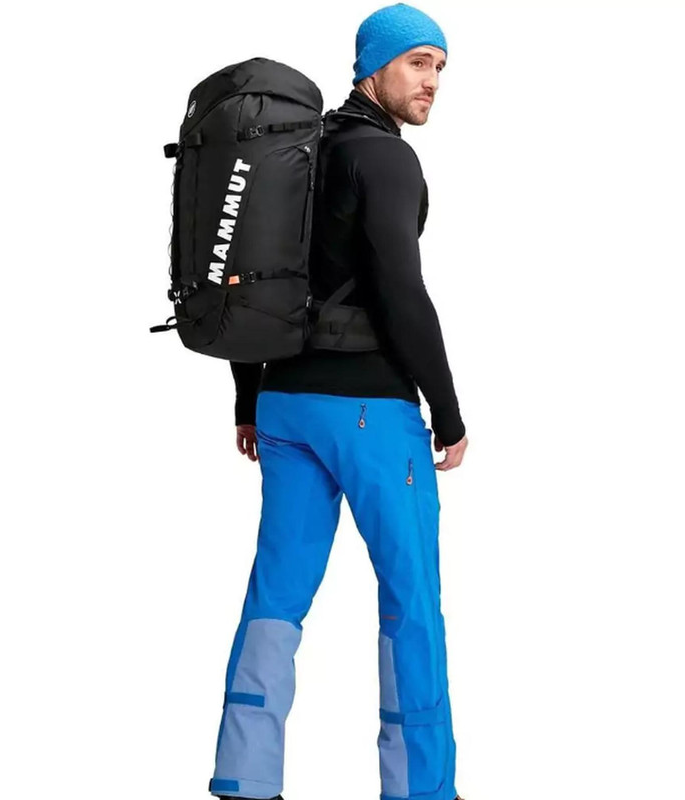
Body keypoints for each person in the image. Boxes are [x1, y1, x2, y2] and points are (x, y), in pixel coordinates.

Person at [209, 4, 468, 800]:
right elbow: (400, 291)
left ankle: (245, 779)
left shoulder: (290, 151)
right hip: (368, 413)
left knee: (276, 596)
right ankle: (422, 789)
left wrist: (249, 398)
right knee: (411, 600)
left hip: (284, 407)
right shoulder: (384, 158)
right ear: (372, 67)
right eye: (418, 62)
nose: (432, 81)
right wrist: (449, 411)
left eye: (440, 68)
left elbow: (253, 283)